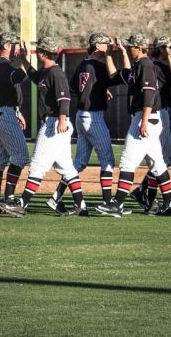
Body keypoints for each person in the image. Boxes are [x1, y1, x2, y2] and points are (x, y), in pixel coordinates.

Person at [0, 37, 87, 217]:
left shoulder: (56, 73)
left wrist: (62, 120)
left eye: (39, 50)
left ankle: (22, 204)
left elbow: (64, 99)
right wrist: (24, 58)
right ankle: (81, 206)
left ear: (44, 53)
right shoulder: (46, 72)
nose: (37, 52)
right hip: (54, 123)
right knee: (66, 168)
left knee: (38, 165)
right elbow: (32, 74)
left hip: (55, 123)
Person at [101, 34, 171, 217]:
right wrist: (112, 54)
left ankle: (117, 204)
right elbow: (115, 75)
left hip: (145, 117)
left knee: (128, 160)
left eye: (131, 46)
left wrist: (144, 120)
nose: (130, 48)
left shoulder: (146, 64)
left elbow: (150, 93)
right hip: (147, 118)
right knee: (157, 164)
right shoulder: (138, 65)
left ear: (140, 47)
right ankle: (169, 202)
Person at [51, 33, 118, 211]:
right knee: (108, 160)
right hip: (94, 117)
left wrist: (99, 91)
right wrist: (98, 91)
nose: (108, 46)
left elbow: (74, 87)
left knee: (79, 162)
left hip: (81, 116)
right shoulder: (99, 66)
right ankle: (108, 202)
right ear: (97, 45)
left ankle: (56, 196)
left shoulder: (82, 63)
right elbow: (117, 78)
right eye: (106, 43)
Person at [0, 33, 31, 207]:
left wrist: (17, 111)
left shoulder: (2, 65)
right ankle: (9, 198)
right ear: (6, 45)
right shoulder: (3, 65)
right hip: (4, 114)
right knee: (20, 157)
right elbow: (19, 77)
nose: (18, 47)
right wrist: (25, 60)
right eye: (15, 44)